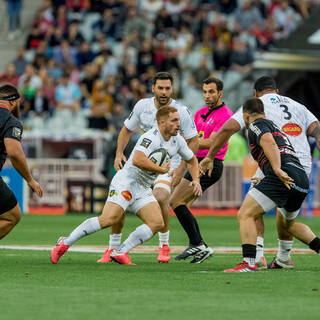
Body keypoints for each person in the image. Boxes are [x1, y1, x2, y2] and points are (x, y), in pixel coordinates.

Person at [51, 106, 202, 265]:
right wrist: (161, 169)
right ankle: (65, 242)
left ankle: (120, 251)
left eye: (178, 120)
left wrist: (196, 180)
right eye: (174, 120)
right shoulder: (151, 137)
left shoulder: (177, 140)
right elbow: (137, 159)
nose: (179, 124)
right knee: (109, 219)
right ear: (162, 122)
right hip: (127, 182)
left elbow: (192, 160)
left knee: (157, 223)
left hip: (143, 188)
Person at [200, 76, 320, 269]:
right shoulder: (298, 106)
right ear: (277, 91)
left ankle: (254, 258)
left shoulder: (257, 110)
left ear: (255, 94)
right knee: (287, 221)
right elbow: (316, 130)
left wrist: (210, 156)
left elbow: (232, 129)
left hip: (277, 164)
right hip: (302, 167)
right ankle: (283, 257)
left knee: (248, 211)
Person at [97, 72, 198, 264]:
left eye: (167, 88)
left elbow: (194, 141)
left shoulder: (181, 111)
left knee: (160, 197)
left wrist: (181, 168)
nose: (164, 92)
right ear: (153, 89)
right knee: (120, 202)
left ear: (172, 89)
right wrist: (119, 153)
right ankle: (113, 248)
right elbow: (126, 130)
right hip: (140, 163)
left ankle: (164, 245)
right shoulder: (142, 106)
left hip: (168, 165)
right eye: (160, 88)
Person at [224, 97, 320, 272]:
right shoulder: (275, 126)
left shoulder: (255, 125)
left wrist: (276, 170)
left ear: (246, 115)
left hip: (282, 176)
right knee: (288, 225)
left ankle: (249, 262)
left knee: (245, 214)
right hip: (300, 177)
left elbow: (268, 142)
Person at [169, 77, 233, 263]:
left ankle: (198, 243)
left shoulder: (225, 115)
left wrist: (186, 141)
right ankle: (198, 246)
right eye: (204, 92)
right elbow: (192, 141)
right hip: (195, 162)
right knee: (182, 204)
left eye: (211, 92)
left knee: (175, 201)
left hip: (210, 163)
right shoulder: (200, 113)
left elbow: (212, 141)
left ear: (220, 93)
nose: (207, 96)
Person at [0, 84, 43, 239]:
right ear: (13, 102)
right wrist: (30, 180)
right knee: (12, 216)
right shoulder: (11, 121)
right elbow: (15, 153)